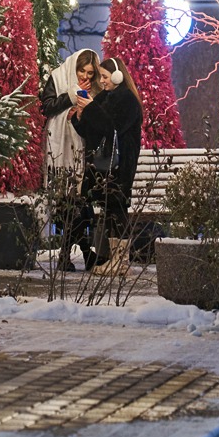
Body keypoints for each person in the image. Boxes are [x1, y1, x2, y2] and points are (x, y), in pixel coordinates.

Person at [72, 57, 143, 276]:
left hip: (120, 164)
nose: (101, 81)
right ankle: (114, 259)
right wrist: (80, 116)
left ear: (117, 75)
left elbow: (113, 127)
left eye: (104, 76)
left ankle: (121, 261)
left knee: (117, 206)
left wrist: (92, 108)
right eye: (100, 76)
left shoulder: (127, 100)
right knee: (110, 207)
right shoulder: (104, 97)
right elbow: (91, 131)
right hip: (104, 164)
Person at [40, 49, 101, 271]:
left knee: (76, 203)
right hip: (59, 151)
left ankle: (71, 255)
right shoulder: (57, 78)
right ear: (74, 67)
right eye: (82, 71)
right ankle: (85, 253)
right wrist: (72, 96)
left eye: (90, 73)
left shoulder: (92, 89)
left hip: (80, 152)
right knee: (68, 204)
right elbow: (46, 106)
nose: (86, 77)